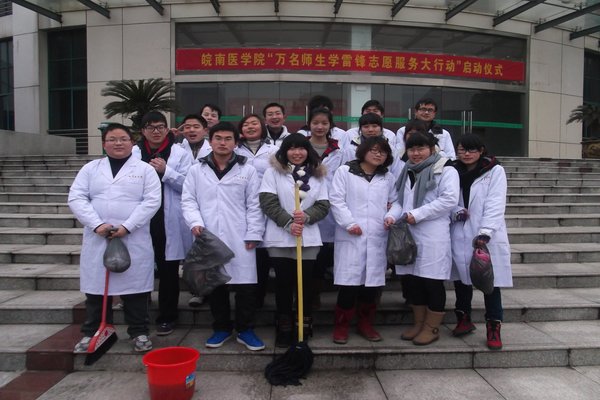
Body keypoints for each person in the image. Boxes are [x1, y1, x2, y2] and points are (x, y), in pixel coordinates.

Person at [69, 123, 161, 353]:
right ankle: (93, 331)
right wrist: (97, 224)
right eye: (112, 139)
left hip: (133, 237)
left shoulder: (145, 170)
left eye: (123, 139)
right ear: (104, 144)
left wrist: (127, 227)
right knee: (96, 289)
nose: (118, 143)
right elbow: (77, 198)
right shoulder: (90, 168)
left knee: (136, 289)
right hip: (98, 237)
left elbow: (152, 201)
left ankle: (139, 332)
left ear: (132, 143)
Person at [181, 121, 266, 351]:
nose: (222, 143)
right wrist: (195, 223)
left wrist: (254, 232)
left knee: (246, 287)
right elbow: (188, 200)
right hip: (208, 235)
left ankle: (245, 330)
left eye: (228, 139)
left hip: (241, 235)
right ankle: (221, 328)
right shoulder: (196, 170)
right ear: (210, 141)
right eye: (218, 138)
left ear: (236, 143)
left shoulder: (247, 170)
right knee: (215, 284)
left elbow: (255, 205)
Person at [386, 130, 459, 346]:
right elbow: (400, 201)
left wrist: (417, 214)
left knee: (432, 281)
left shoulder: (446, 169)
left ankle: (431, 327)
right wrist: (391, 216)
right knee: (413, 281)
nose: (416, 153)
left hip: (433, 233)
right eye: (412, 149)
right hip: (409, 233)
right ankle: (418, 323)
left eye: (421, 148)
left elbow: (449, 200)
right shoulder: (407, 170)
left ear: (432, 149)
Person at [259, 133, 330, 348]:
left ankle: (303, 324)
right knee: (283, 284)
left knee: (305, 285)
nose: (297, 152)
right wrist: (288, 223)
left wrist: (307, 217)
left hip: (308, 240)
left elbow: (323, 205)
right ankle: (284, 326)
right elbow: (268, 201)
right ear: (284, 151)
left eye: (301, 148)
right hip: (280, 238)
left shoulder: (317, 174)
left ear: (308, 151)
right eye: (292, 148)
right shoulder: (273, 172)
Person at [329, 136, 400, 344]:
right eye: (374, 150)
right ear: (363, 151)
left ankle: (365, 324)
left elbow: (396, 202)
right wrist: (349, 223)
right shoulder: (345, 171)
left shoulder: (387, 177)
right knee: (349, 285)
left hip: (377, 235)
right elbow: (336, 200)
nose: (378, 154)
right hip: (351, 235)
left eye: (383, 151)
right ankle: (341, 326)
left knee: (371, 286)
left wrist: (391, 216)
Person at [133, 111, 194, 336]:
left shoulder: (180, 153)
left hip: (167, 219)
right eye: (150, 127)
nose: (156, 131)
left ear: (167, 129)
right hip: (140, 218)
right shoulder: (134, 152)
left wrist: (166, 171)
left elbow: (190, 184)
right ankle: (138, 313)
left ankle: (168, 316)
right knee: (139, 266)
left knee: (168, 270)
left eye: (160, 126)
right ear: (143, 131)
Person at [450, 134, 512, 350]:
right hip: (460, 230)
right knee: (462, 280)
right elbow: (447, 198)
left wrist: (485, 232)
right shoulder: (452, 170)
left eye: (472, 150)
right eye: (462, 149)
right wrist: (456, 211)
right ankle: (463, 318)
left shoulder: (494, 170)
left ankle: (493, 326)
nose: (467, 154)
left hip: (487, 233)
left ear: (482, 150)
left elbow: (496, 202)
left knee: (489, 282)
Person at [235, 114, 279, 308]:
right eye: (246, 124)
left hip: (268, 206)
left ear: (262, 127)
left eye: (254, 123)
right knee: (244, 253)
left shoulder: (274, 150)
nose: (250, 127)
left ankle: (258, 297)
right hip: (239, 206)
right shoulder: (234, 150)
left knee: (262, 256)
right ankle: (246, 298)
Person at [306, 107, 344, 309]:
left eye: (324, 123)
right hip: (305, 205)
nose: (319, 127)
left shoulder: (339, 150)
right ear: (309, 124)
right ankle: (307, 296)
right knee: (308, 253)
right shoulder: (301, 147)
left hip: (331, 206)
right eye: (315, 123)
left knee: (324, 253)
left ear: (330, 125)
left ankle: (316, 293)